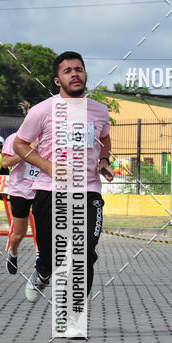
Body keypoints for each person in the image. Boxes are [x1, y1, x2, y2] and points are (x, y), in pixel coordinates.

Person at [13, 51, 113, 305]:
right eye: (67, 71)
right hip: (49, 190)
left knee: (85, 252)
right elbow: (21, 145)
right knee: (50, 255)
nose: (75, 74)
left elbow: (104, 138)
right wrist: (47, 165)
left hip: (88, 189)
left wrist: (103, 160)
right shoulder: (41, 111)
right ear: (57, 80)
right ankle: (43, 269)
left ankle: (74, 313)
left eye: (78, 69)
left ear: (85, 74)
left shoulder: (100, 111)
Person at [1, 103, 38, 274]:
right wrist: (27, 151)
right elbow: (6, 162)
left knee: (43, 231)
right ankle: (13, 252)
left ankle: (41, 262)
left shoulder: (47, 139)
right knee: (18, 234)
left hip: (41, 189)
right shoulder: (14, 139)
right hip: (20, 191)